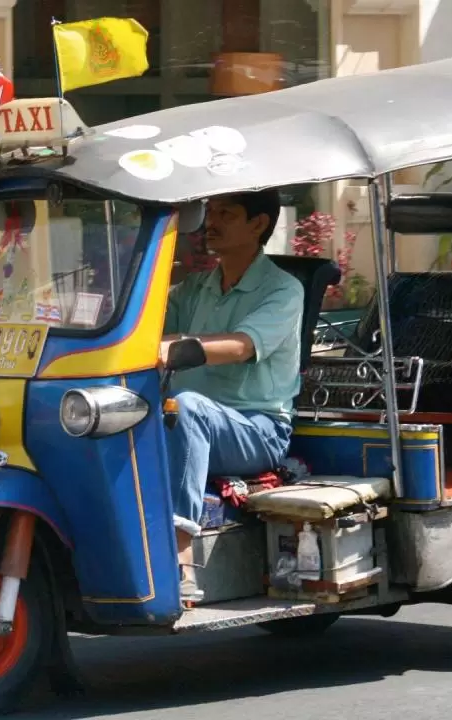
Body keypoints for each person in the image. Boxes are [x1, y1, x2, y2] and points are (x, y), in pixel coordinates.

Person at [160, 189, 305, 604]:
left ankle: (182, 556)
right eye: (210, 212)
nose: (212, 221)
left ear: (258, 225)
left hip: (258, 429)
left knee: (187, 408)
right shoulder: (197, 286)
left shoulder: (283, 290)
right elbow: (152, 328)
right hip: (186, 420)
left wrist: (175, 347)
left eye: (227, 213)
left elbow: (242, 346)